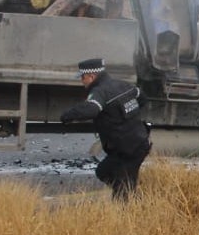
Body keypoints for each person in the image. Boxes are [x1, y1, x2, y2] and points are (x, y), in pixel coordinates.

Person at [60, 58, 152, 200]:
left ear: (91, 76)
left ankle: (132, 206)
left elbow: (91, 109)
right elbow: (142, 97)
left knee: (121, 189)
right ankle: (133, 198)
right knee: (104, 172)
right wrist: (125, 118)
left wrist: (67, 116)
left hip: (128, 149)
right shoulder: (123, 85)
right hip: (136, 143)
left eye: (83, 78)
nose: (82, 81)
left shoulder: (100, 92)